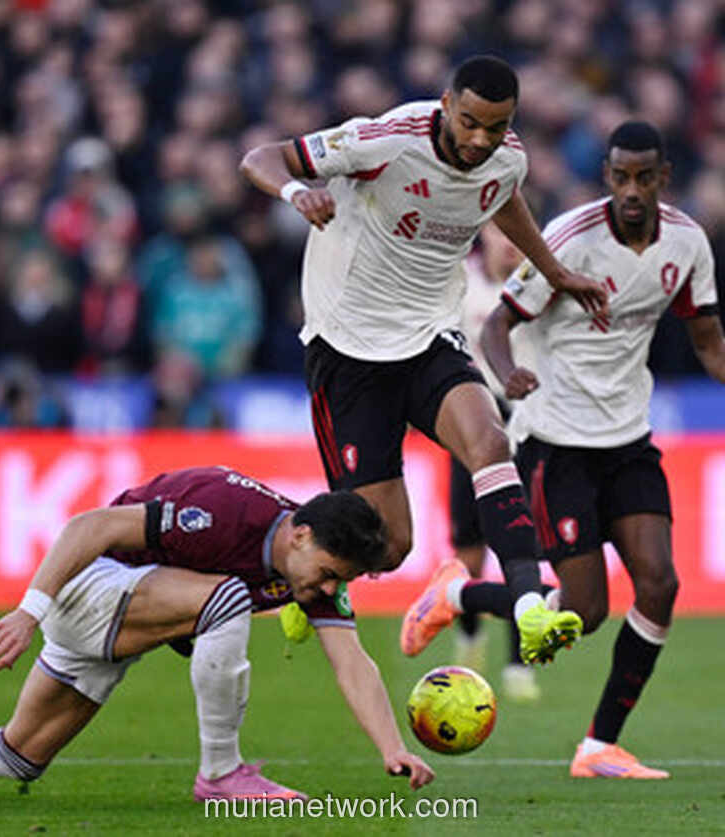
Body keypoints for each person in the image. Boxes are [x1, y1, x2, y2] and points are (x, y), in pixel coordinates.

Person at [402, 121, 725, 779]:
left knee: (660, 582)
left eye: (644, 177)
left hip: (629, 439)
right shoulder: (571, 239)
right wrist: (506, 373)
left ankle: (598, 744)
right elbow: (499, 322)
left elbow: (708, 337)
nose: (631, 190)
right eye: (619, 177)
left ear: (663, 177)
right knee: (584, 611)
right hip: (555, 443)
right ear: (607, 176)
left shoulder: (688, 243)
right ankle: (457, 597)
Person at [240, 54, 607, 665]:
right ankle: (292, 575)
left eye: (496, 127)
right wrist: (297, 190)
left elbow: (503, 197)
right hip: (348, 349)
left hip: (429, 335)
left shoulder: (506, 157)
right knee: (386, 548)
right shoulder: (384, 140)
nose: (480, 140)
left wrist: (555, 271)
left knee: (490, 442)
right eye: (469, 123)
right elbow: (260, 157)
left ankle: (526, 607)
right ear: (445, 105)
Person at [0, 466, 434, 799]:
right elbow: (89, 526)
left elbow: (351, 660)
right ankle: (221, 774)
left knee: (16, 755)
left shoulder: (306, 568)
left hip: (127, 613)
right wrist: (29, 610)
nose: (326, 591)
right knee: (227, 599)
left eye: (337, 583)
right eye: (326, 575)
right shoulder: (224, 509)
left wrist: (391, 748)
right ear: (299, 533)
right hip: (90, 588)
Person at [444, 224, 540, 702]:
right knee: (469, 548)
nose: (509, 242)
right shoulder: (459, 282)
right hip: (470, 422)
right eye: (500, 233)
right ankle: (469, 634)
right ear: (483, 235)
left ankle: (519, 664)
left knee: (519, 547)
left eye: (516, 233)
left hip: (524, 425)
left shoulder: (537, 288)